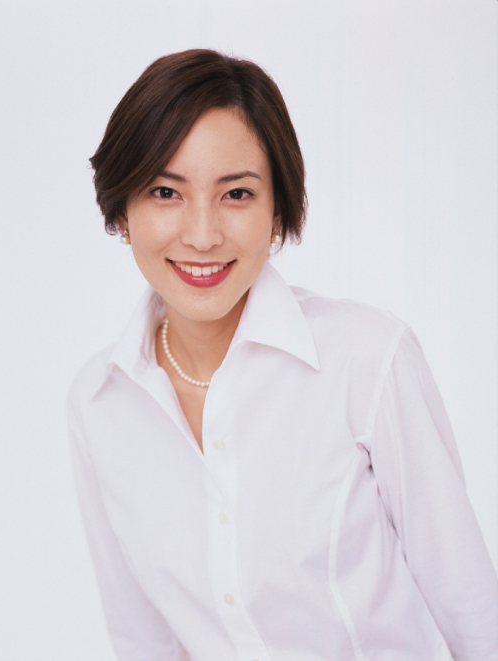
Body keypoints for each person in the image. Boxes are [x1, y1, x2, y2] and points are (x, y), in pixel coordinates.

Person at [67, 49, 498, 661]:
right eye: (165, 191)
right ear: (122, 211)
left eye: (236, 194)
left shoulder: (367, 361)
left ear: (277, 211)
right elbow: (143, 642)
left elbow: (472, 612)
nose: (202, 235)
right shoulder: (98, 403)